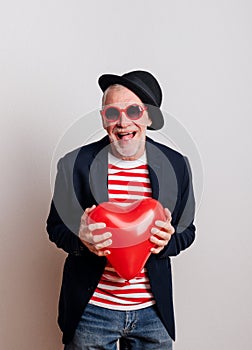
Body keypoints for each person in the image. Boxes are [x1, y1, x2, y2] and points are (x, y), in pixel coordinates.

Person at [46, 70, 196, 349]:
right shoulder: (74, 164)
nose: (123, 122)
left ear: (150, 117)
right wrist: (81, 240)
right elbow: (54, 228)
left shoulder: (176, 165)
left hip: (154, 314)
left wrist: (166, 242)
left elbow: (188, 232)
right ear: (104, 119)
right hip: (91, 312)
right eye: (112, 112)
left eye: (133, 110)